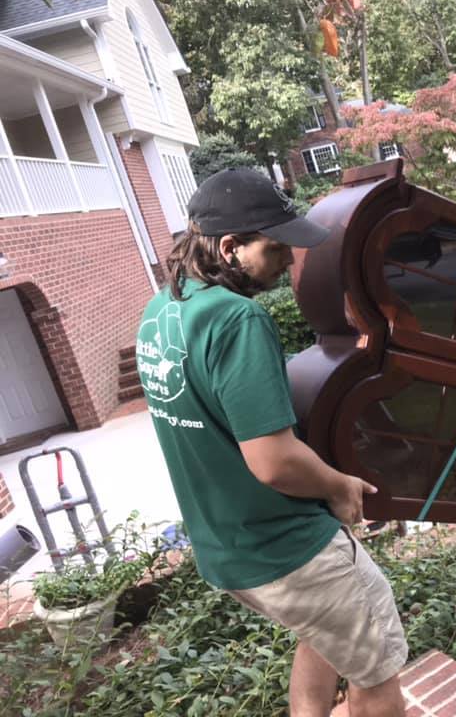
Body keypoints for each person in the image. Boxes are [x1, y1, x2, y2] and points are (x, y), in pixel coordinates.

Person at [136, 168, 407, 716]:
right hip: (287, 544)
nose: (289, 262)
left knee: (327, 632)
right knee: (376, 670)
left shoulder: (163, 309)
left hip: (227, 549)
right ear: (231, 247)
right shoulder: (237, 318)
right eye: (278, 248)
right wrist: (337, 485)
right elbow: (273, 461)